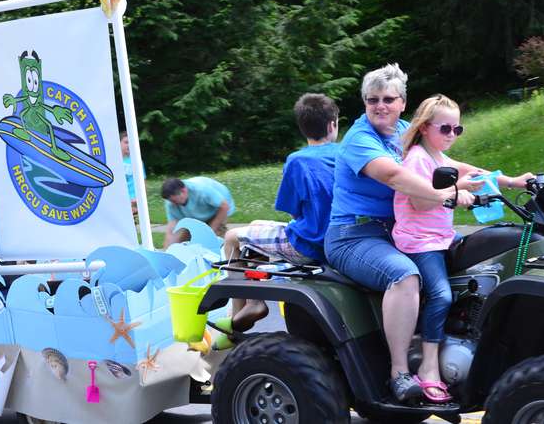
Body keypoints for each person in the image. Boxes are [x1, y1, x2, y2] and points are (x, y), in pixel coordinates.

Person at [324, 63, 482, 402]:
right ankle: (399, 373)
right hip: (354, 236)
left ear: (402, 102)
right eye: (372, 99)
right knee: (404, 276)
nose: (380, 106)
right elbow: (394, 177)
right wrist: (443, 195)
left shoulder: (405, 131)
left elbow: (444, 164)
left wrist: (505, 179)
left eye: (388, 99)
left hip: (397, 233)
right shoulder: (359, 139)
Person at [392, 94, 535, 402]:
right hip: (420, 242)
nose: (452, 136)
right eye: (446, 129)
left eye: (458, 130)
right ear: (426, 127)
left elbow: (475, 172)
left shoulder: (439, 157)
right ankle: (429, 365)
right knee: (441, 294)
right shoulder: (418, 157)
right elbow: (419, 199)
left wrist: (514, 182)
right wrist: (455, 193)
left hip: (443, 236)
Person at [221, 93, 339, 333]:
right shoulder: (344, 154)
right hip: (337, 239)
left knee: (232, 238)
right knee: (255, 226)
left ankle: (246, 308)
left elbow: (292, 211)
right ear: (332, 124)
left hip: (308, 244)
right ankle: (252, 297)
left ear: (302, 127)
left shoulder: (297, 160)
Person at [162, 176, 236, 247]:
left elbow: (224, 206)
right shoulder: (171, 202)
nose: (173, 204)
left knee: (213, 240)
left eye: (174, 201)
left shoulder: (202, 190)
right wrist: (167, 251)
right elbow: (171, 229)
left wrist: (210, 232)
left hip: (218, 208)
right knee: (183, 242)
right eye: (171, 201)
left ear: (184, 191)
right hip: (195, 212)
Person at [120, 131, 145, 215]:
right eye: (126, 142)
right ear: (119, 143)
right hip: (120, 201)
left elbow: (142, 182)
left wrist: (138, 200)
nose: (129, 145)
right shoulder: (114, 161)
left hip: (135, 201)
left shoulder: (137, 161)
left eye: (131, 143)